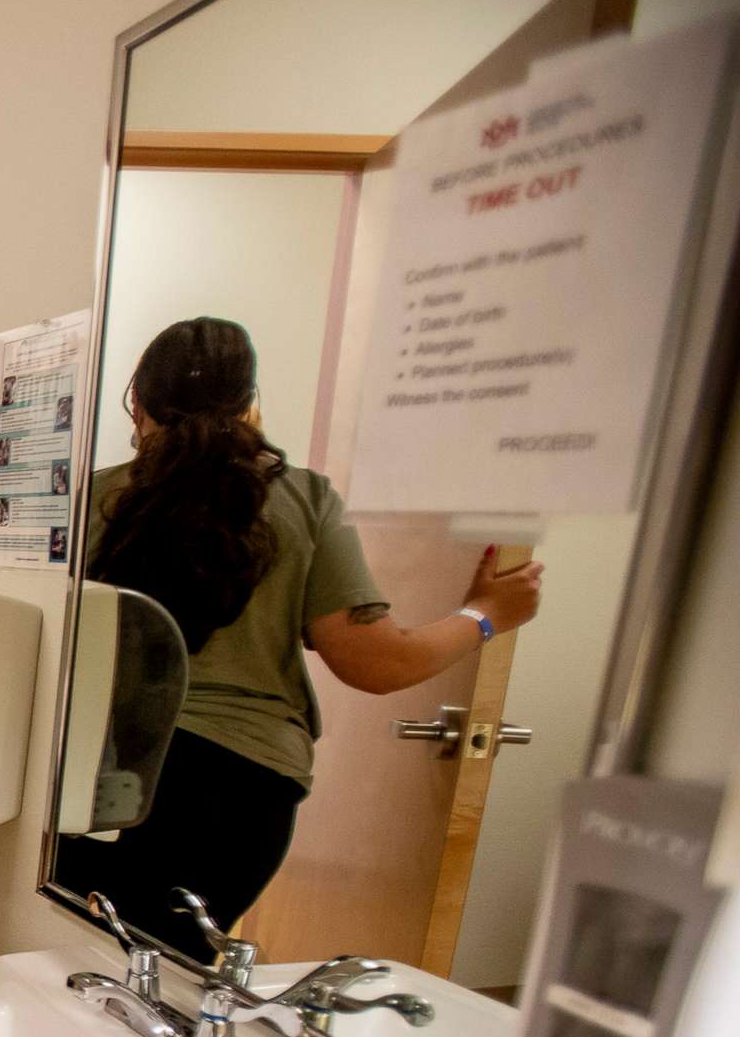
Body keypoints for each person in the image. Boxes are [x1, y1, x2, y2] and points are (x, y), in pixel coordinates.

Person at [55, 317, 544, 960]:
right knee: (170, 970)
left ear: (137, 403)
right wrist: (485, 614)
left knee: (77, 958)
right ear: (249, 405)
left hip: (107, 769)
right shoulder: (301, 497)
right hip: (239, 789)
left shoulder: (88, 497)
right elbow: (375, 661)